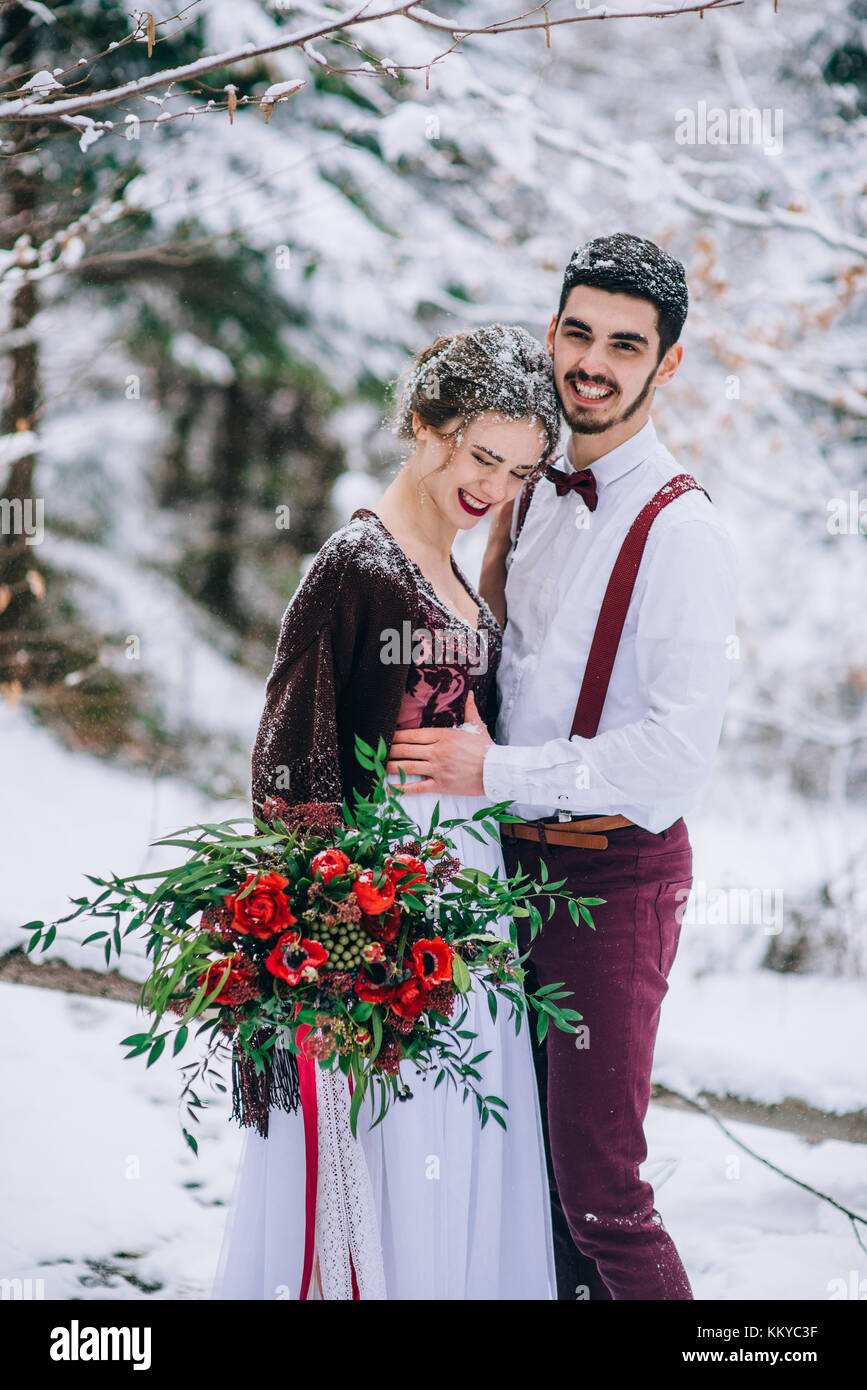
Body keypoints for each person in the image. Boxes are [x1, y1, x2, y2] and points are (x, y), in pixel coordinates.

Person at [387, 233, 739, 1300]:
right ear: (552, 333)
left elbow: (676, 759)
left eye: (625, 345)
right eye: (578, 332)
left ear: (666, 365)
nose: (593, 361)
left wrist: (492, 773)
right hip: (504, 872)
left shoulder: (683, 532)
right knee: (524, 1177)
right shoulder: (528, 483)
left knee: (601, 1193)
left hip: (611, 880)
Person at [212, 323, 563, 1300]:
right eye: (483, 453)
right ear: (423, 420)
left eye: (520, 469)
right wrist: (325, 929)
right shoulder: (355, 564)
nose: (493, 484)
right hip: (385, 910)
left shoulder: (462, 579)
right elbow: (289, 762)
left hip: (471, 905)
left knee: (462, 1136)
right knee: (393, 1140)